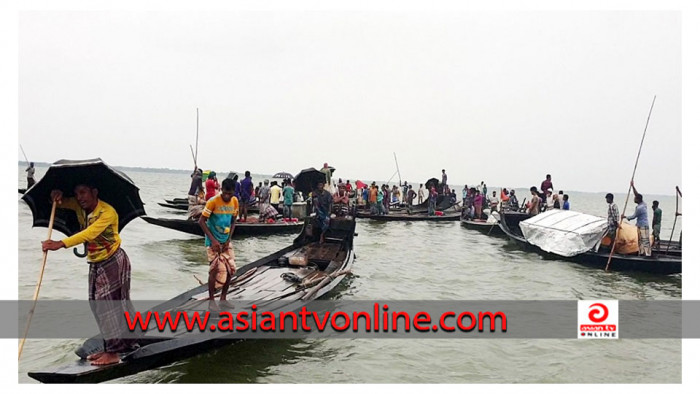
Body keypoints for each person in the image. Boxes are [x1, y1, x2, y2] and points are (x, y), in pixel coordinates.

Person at [41, 183, 138, 365]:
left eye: (83, 193)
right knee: (96, 304)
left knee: (109, 306)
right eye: (77, 193)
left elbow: (89, 233)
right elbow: (61, 203)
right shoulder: (79, 206)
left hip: (113, 260)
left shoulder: (107, 213)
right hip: (95, 261)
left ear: (94, 192)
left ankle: (114, 352)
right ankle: (117, 344)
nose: (80, 197)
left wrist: (60, 243)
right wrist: (55, 196)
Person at [198, 179, 239, 304]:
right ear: (221, 190)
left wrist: (228, 239)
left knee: (230, 269)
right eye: (225, 192)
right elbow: (201, 221)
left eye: (230, 193)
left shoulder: (234, 201)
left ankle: (223, 298)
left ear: (233, 192)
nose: (227, 195)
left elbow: (233, 221)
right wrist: (213, 240)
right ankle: (211, 300)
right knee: (214, 270)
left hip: (226, 240)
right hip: (213, 242)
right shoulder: (213, 202)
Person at [621, 181, 651, 256]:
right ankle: (641, 253)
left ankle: (647, 254)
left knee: (645, 240)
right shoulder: (643, 204)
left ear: (637, 199)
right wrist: (633, 186)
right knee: (640, 240)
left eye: (635, 198)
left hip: (643, 225)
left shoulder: (640, 208)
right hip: (640, 225)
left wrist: (625, 217)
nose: (634, 199)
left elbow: (633, 216)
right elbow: (637, 194)